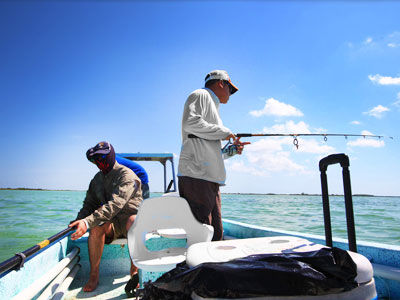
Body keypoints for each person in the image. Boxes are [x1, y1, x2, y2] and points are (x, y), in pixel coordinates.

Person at [178, 70, 249, 241]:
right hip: (197, 177)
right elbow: (191, 123)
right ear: (220, 83)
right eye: (230, 89)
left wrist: (232, 150)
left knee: (215, 233)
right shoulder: (200, 95)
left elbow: (212, 150)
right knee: (201, 235)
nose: (230, 94)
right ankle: (195, 267)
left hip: (209, 180)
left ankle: (209, 267)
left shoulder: (213, 108)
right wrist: (225, 132)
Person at [69, 141, 143, 292]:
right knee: (95, 227)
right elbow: (88, 204)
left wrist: (87, 221)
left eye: (103, 158)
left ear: (111, 156)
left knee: (134, 222)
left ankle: (134, 271)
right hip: (112, 224)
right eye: (96, 160)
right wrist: (79, 221)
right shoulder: (96, 180)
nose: (99, 162)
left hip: (129, 218)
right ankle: (94, 275)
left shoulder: (127, 175)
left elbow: (115, 205)